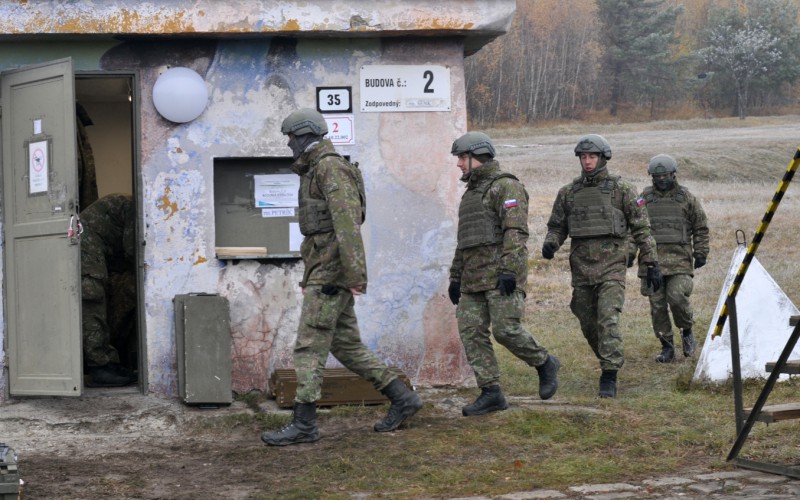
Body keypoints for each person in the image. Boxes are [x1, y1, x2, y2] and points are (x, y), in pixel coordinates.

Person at [261, 109, 422, 446]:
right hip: (324, 270)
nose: (288, 143)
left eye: (291, 136)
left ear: (305, 135)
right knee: (346, 346)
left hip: (332, 274)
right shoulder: (317, 169)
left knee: (309, 346)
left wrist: (352, 276)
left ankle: (304, 423)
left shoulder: (329, 167)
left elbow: (347, 226)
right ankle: (403, 398)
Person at [448, 131, 560, 416]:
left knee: (505, 330)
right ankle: (491, 392)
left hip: (500, 275)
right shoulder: (470, 195)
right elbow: (465, 240)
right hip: (473, 278)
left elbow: (516, 232)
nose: (459, 164)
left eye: (462, 157)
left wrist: (510, 270)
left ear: (478, 156)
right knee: (471, 332)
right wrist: (455, 276)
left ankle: (545, 362)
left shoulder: (506, 187)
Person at [541, 134, 662, 398]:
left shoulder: (622, 189)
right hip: (581, 267)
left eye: (592, 156)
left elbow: (642, 228)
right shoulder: (569, 193)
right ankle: (610, 355)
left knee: (608, 319)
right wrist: (551, 243)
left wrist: (651, 262)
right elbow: (557, 226)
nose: (587, 162)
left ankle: (609, 374)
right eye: (583, 157)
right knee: (587, 320)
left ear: (603, 158)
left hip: (612, 266)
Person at [638, 154, 709, 363]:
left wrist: (701, 252)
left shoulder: (686, 198)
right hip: (652, 262)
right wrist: (628, 254)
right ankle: (666, 346)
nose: (661, 179)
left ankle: (686, 331)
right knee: (658, 306)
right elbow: (635, 226)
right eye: (657, 176)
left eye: (665, 175)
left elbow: (701, 227)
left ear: (673, 174)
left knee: (677, 298)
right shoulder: (644, 198)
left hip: (680, 261)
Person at [81, 193, 138, 387]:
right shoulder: (136, 206)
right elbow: (133, 249)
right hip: (85, 244)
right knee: (92, 299)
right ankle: (100, 367)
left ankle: (107, 362)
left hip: (92, 246)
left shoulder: (128, 203)